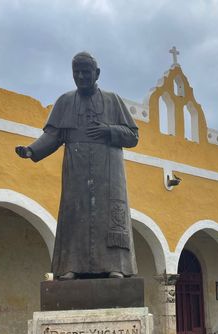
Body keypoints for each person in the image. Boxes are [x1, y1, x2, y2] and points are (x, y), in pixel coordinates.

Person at [16, 52, 138, 280]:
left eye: (86, 72)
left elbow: (132, 136)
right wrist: (32, 150)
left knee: (110, 217)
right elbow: (53, 135)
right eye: (76, 72)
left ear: (97, 73)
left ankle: (116, 266)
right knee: (75, 214)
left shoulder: (113, 100)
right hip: (77, 170)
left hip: (109, 173)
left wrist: (108, 130)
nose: (81, 77)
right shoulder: (65, 101)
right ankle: (70, 266)